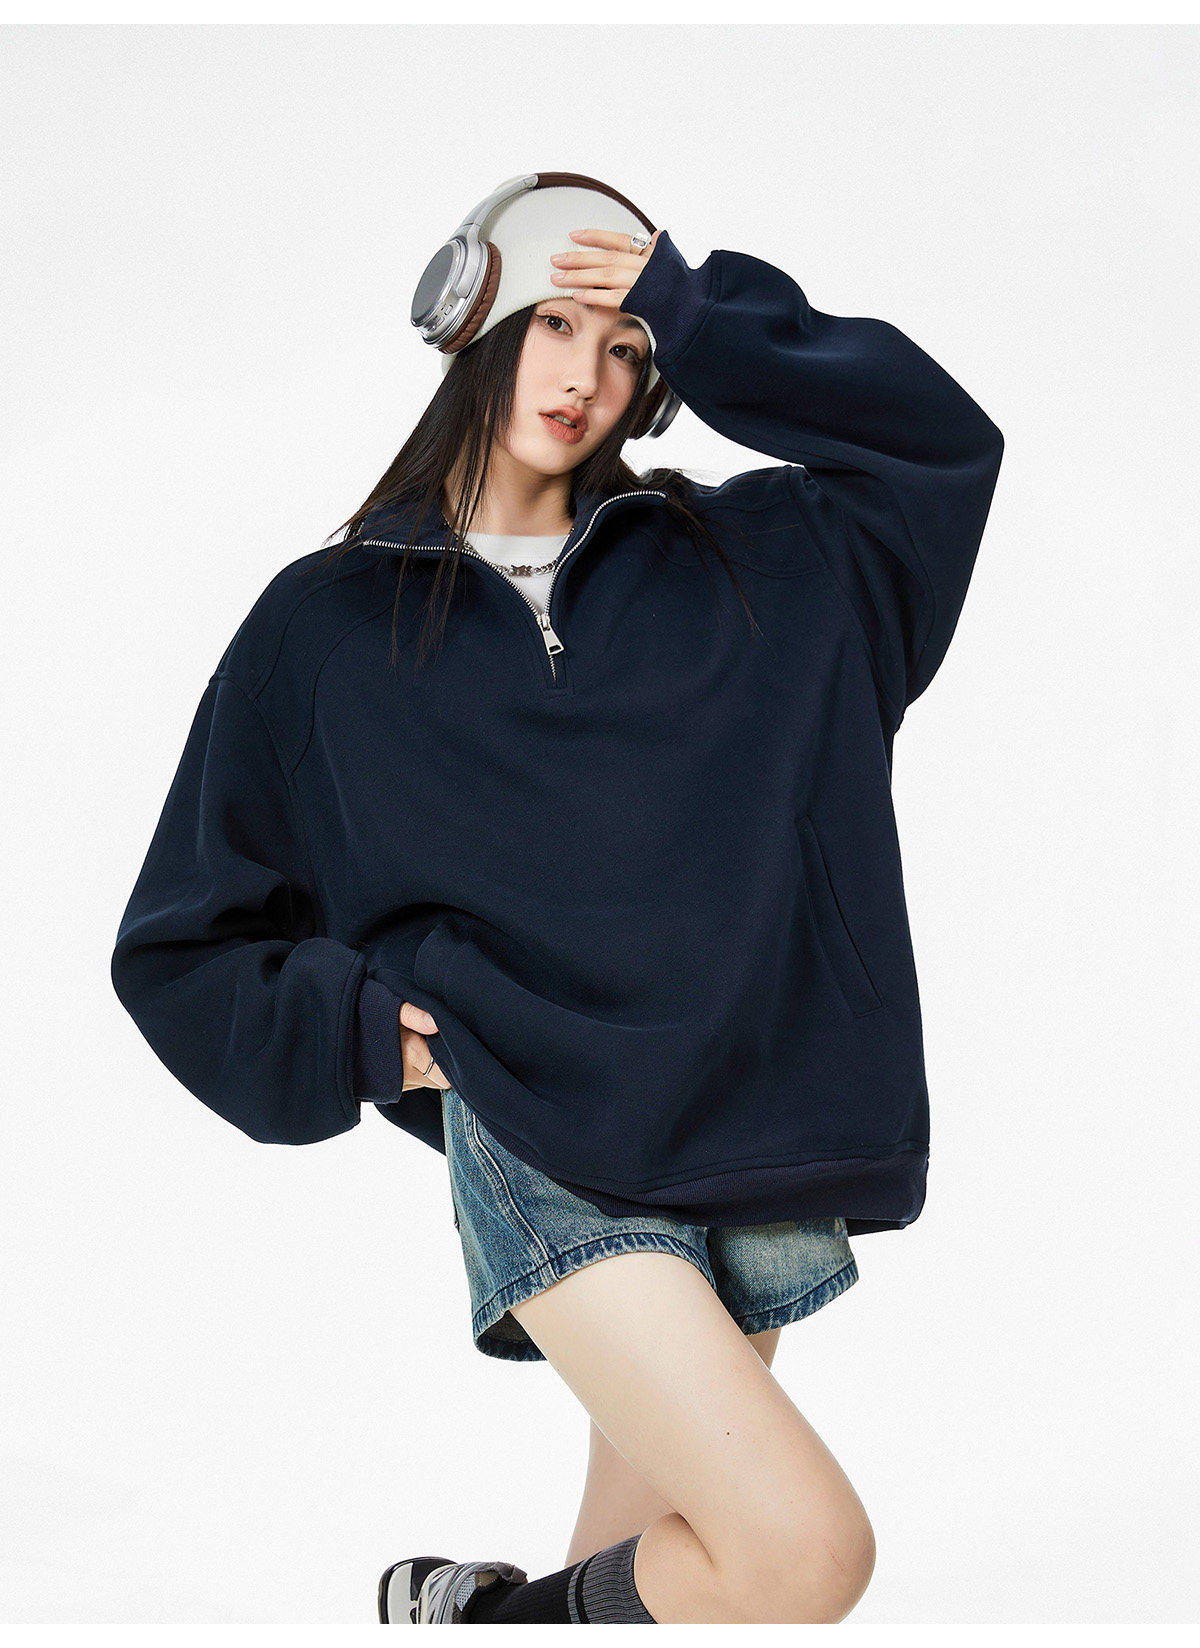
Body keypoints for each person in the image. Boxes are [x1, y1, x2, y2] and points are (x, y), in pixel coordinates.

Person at [110, 175, 1004, 1625]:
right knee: (800, 1554)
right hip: (543, 1138)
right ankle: (475, 1618)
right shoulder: (324, 628)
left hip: (744, 1128)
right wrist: (363, 1031)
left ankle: (490, 1621)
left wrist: (703, 312)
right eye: (554, 324)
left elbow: (939, 447)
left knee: (659, 1593)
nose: (585, 375)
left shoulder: (767, 565)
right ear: (475, 321)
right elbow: (183, 943)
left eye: (627, 346)